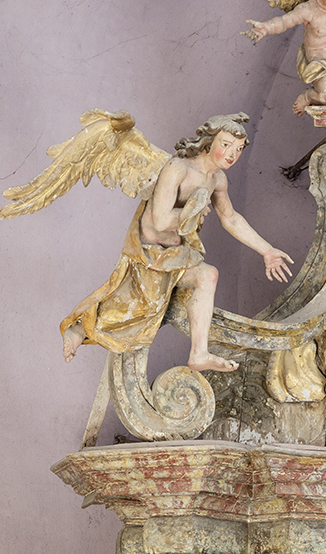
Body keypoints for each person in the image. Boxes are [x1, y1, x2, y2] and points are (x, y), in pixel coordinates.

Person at [60, 114, 294, 372]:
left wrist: (267, 250)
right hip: (150, 255)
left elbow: (230, 218)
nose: (231, 154)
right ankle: (78, 329)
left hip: (178, 253)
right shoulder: (178, 169)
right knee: (135, 309)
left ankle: (199, 354)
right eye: (225, 144)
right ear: (209, 141)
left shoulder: (217, 179)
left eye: (238, 149)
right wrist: (191, 213)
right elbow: (160, 220)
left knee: (208, 276)